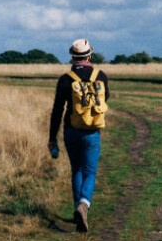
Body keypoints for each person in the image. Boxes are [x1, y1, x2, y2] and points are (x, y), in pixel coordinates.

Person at [48, 38, 109, 233]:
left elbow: (57, 111)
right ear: (89, 55)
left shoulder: (65, 79)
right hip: (92, 131)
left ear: (73, 57)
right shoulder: (101, 76)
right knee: (90, 171)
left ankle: (78, 209)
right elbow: (104, 99)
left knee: (76, 170)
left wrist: (52, 138)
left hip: (71, 131)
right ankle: (84, 205)